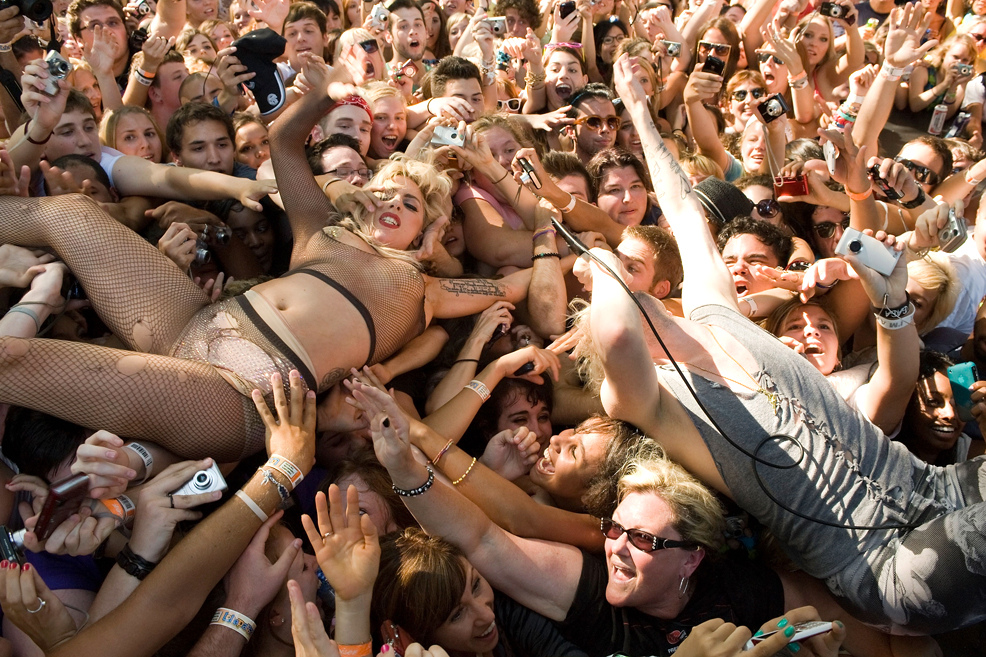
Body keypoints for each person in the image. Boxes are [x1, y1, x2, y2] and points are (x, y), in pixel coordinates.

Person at [579, 53, 986, 634]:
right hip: (881, 566)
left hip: (929, 484)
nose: (623, 278)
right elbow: (618, 333)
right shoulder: (646, 397)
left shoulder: (711, 306)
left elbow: (685, 209)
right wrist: (598, 262)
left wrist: (641, 114)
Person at [0, 58, 551, 462]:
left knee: (10, 359)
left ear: (428, 228)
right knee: (69, 211)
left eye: (410, 205)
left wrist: (565, 242)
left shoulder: (423, 289)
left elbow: (513, 284)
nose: (392, 204)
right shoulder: (322, 229)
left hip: (238, 399)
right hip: (189, 320)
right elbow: (283, 143)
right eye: (386, 192)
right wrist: (324, 96)